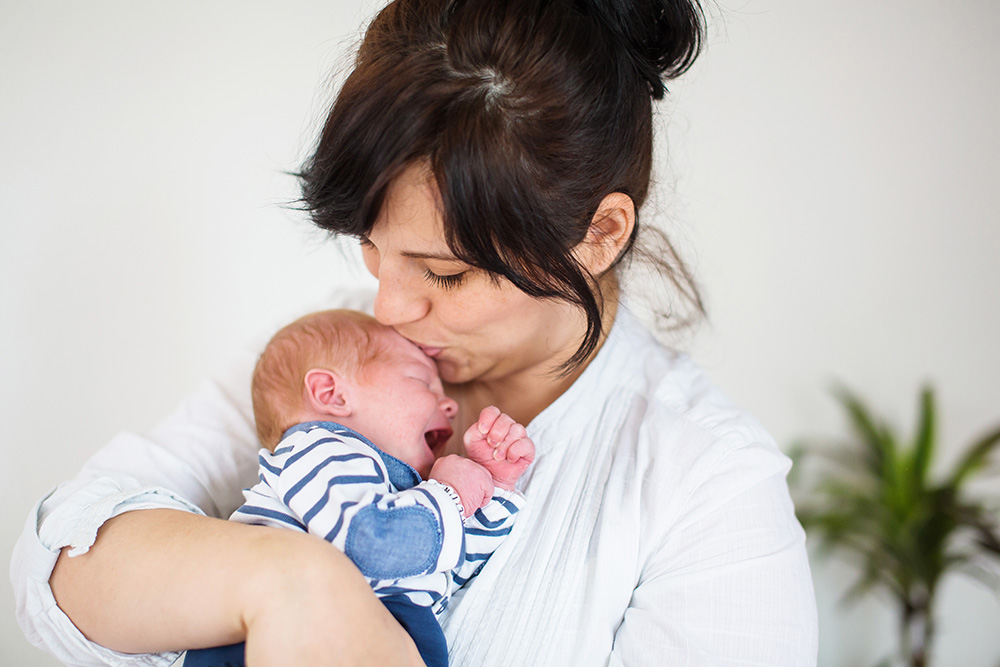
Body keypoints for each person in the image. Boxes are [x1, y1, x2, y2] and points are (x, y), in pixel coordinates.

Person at [12, 0, 819, 665]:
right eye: (371, 248)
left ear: (600, 233)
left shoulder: (710, 489)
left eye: (444, 274)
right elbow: (62, 561)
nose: (388, 308)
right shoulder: (332, 362)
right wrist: (285, 579)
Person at [184, 309, 534, 667]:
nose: (450, 403)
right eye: (421, 381)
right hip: (284, 637)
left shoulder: (407, 496)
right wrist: (452, 495)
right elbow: (373, 543)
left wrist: (493, 487)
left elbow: (448, 565)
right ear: (331, 394)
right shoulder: (317, 451)